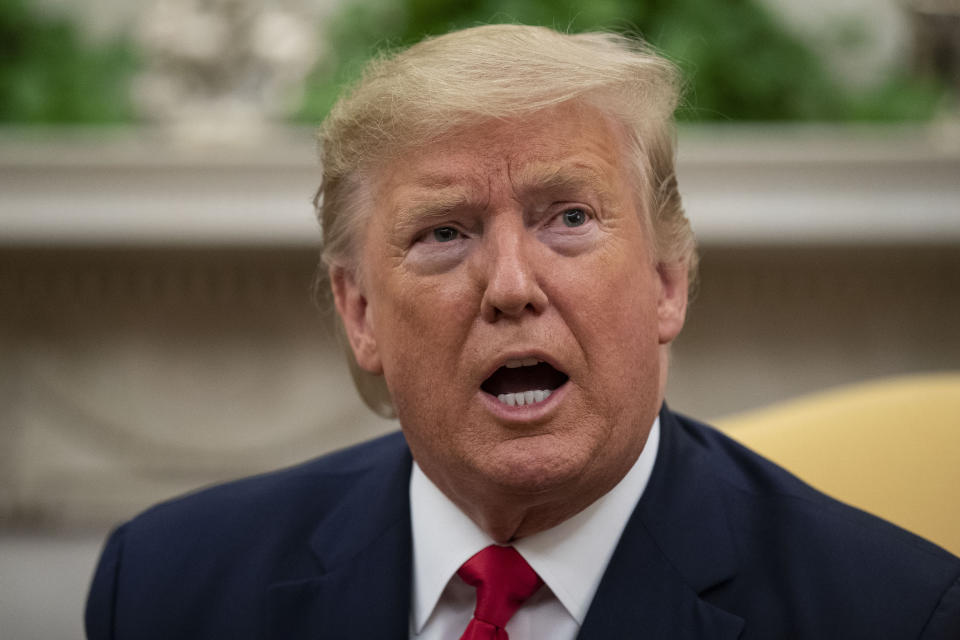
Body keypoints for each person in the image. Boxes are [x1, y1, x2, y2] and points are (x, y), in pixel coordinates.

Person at [86, 24, 960, 639]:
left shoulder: (895, 612)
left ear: (666, 282)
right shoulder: (170, 588)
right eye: (444, 233)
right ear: (360, 314)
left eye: (569, 217)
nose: (510, 287)